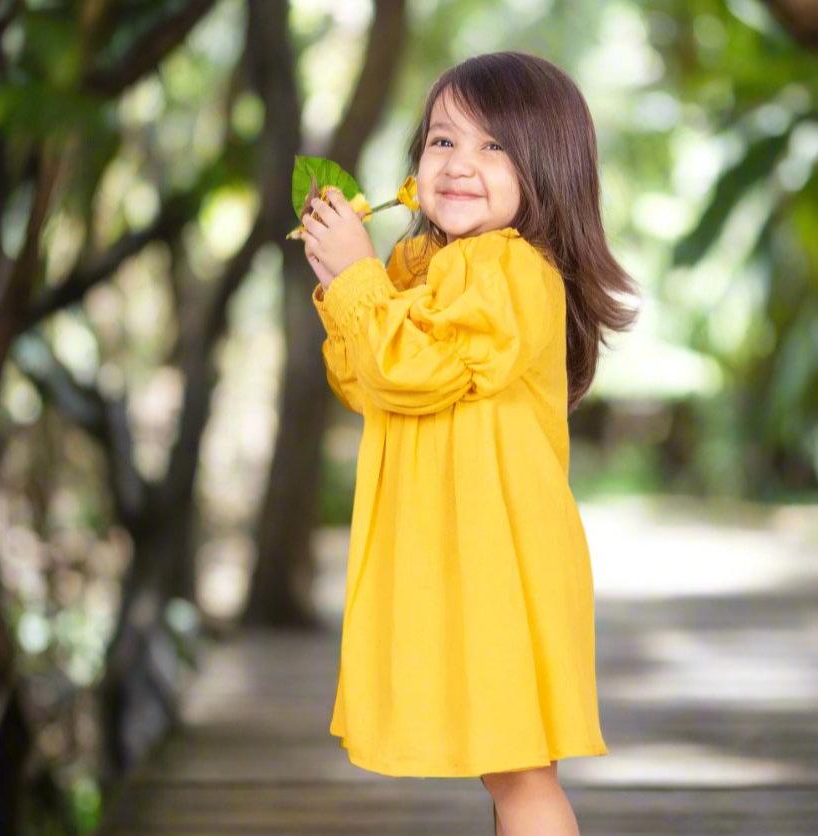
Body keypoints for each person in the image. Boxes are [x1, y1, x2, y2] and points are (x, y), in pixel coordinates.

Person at [300, 50, 640, 836]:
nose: (460, 164)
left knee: (520, 775)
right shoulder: (431, 265)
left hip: (502, 559)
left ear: (547, 169)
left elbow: (410, 368)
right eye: (444, 140)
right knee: (508, 772)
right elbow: (367, 382)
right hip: (464, 552)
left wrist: (358, 280)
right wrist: (346, 282)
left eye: (495, 147)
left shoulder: (512, 268)